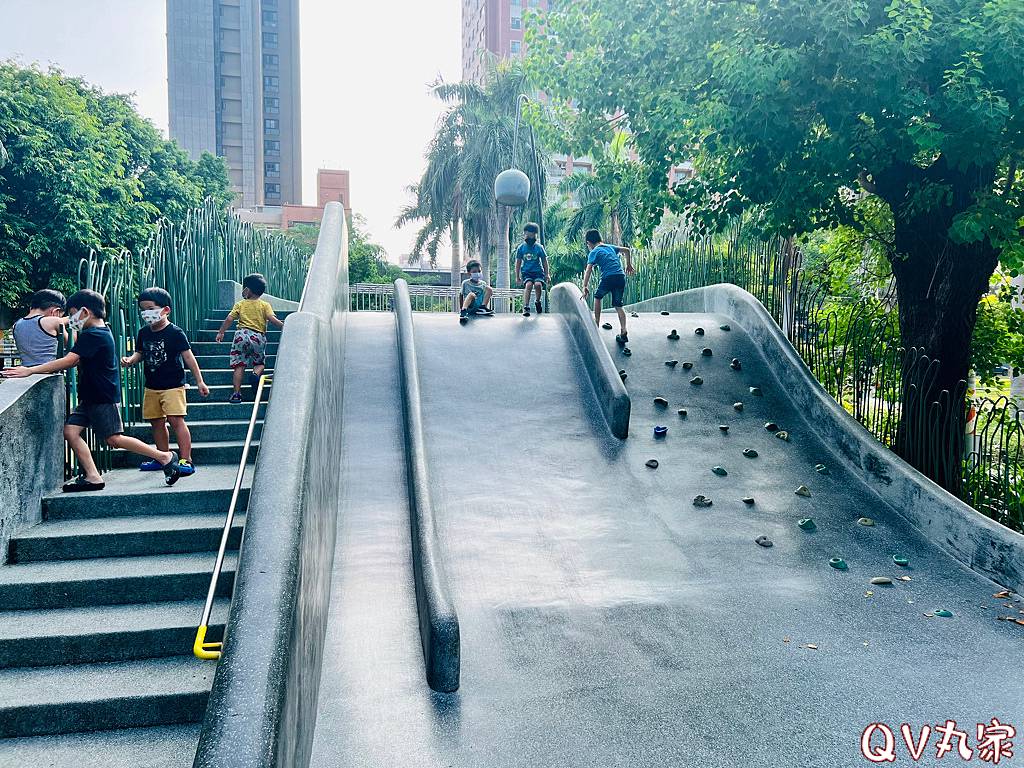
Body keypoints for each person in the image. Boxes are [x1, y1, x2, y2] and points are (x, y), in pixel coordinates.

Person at [1, 289, 182, 491]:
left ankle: (164, 456)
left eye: (72, 314)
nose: (71, 319)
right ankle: (93, 476)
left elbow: (70, 360)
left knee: (114, 439)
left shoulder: (95, 335)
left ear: (85, 312)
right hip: (90, 396)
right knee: (71, 431)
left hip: (102, 396)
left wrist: (30, 370)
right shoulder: (98, 332)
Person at [120, 287, 210, 476]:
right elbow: (141, 353)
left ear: (165, 310)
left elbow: (189, 357)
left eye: (151, 309)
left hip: (173, 385)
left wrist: (199, 381)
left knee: (176, 420)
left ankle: (186, 460)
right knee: (156, 422)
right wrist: (131, 360)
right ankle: (163, 457)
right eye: (143, 309)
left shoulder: (175, 333)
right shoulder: (144, 333)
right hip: (151, 386)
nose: (146, 314)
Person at [214, 273, 285, 404]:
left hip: (241, 336)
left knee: (239, 365)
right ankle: (255, 375)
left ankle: (236, 394)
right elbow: (271, 319)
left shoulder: (240, 304)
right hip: (258, 337)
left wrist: (221, 332)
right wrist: (284, 326)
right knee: (259, 363)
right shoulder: (265, 305)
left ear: (247, 290)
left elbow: (229, 318)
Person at [581, 229, 635, 345]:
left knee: (598, 297)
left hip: (609, 277)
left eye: (587, 244)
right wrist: (629, 264)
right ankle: (623, 330)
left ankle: (596, 323)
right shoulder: (610, 247)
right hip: (620, 276)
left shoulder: (594, 251)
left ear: (589, 242)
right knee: (618, 305)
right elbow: (626, 250)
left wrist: (585, 285)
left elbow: (589, 269)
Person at [12, 289, 68, 366]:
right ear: (55, 311)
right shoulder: (55, 322)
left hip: (24, 372)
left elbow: (34, 323)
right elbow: (71, 345)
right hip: (48, 374)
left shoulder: (17, 325)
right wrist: (76, 322)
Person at [516, 222, 549, 317]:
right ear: (525, 234)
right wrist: (518, 277)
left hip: (538, 272)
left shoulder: (539, 247)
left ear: (535, 235)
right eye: (528, 235)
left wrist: (547, 274)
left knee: (538, 285)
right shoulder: (521, 248)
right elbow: (518, 263)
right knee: (529, 285)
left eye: (532, 235)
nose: (530, 238)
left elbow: (544, 261)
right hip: (527, 272)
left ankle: (537, 301)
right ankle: (526, 306)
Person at [459, 260, 494, 325]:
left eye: (479, 271)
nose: (477, 273)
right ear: (469, 273)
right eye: (474, 272)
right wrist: (461, 308)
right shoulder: (465, 283)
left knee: (489, 289)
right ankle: (464, 311)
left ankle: (483, 308)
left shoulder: (483, 284)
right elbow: (460, 295)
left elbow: (487, 294)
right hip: (470, 307)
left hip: (478, 308)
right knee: (471, 294)